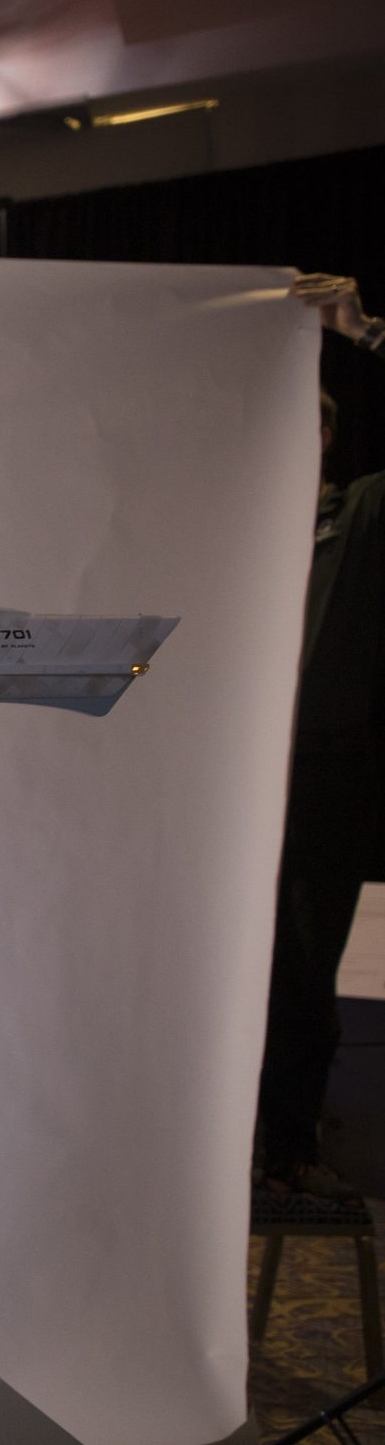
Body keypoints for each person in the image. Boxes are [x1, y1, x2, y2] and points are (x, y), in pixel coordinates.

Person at [257, 277, 385, 1196]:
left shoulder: (362, 517)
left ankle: (289, 1150)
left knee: (303, 969)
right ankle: (210, 1147)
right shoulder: (219, 531)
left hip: (322, 772)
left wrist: (365, 332)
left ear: (329, 439)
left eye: (309, 423)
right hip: (222, 778)